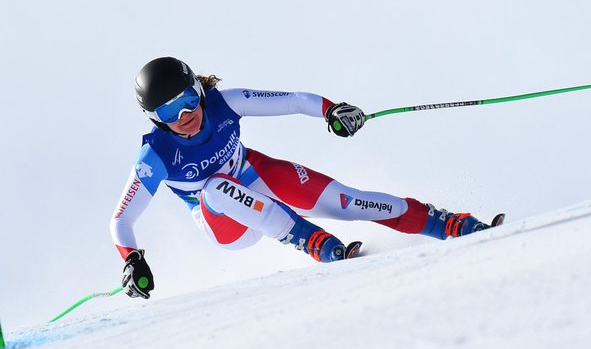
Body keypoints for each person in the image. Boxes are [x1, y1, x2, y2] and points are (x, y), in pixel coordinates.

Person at [112, 57, 500, 299]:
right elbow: (122, 218)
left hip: (254, 176)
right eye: (169, 112)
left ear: (199, 90)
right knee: (215, 187)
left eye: (188, 101)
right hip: (227, 222)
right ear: (155, 120)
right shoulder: (156, 153)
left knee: (349, 201)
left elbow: (295, 100)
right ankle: (314, 242)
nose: (185, 117)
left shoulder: (224, 102)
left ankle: (449, 224)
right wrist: (132, 260)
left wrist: (333, 111)